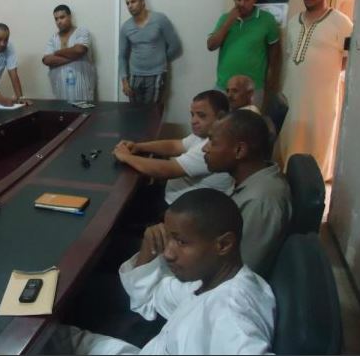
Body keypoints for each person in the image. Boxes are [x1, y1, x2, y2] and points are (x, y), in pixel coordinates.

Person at [47, 189, 275, 354]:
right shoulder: (209, 282)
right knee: (53, 338)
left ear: (223, 244)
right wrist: (148, 248)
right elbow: (152, 295)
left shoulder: (231, 311)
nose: (168, 253)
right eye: (169, 239)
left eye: (181, 242)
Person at [279, 0, 353, 180]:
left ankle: (315, 179)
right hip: (293, 92)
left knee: (318, 135)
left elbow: (349, 59)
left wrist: (323, 73)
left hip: (321, 96)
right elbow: (290, 54)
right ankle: (289, 174)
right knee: (291, 132)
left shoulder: (341, 22)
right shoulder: (294, 21)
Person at [203, 109, 292, 275]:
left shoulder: (261, 202)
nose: (204, 148)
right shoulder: (250, 178)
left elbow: (240, 271)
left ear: (239, 151)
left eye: (213, 143)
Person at [113, 90, 232, 207]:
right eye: (192, 115)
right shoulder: (205, 135)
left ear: (220, 117)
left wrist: (126, 157)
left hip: (179, 209)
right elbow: (175, 145)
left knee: (122, 202)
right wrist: (139, 146)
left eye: (201, 115)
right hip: (171, 195)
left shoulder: (214, 146)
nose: (193, 121)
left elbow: (166, 170)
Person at [207, 0, 281, 108]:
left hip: (253, 88)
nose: (242, 3)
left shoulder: (267, 19)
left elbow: (274, 50)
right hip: (224, 86)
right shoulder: (225, 18)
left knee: (250, 120)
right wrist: (229, 21)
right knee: (221, 119)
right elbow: (211, 45)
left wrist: (271, 78)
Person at [119, 0, 181, 104]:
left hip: (156, 74)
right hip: (135, 75)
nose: (130, 6)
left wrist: (161, 60)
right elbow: (122, 56)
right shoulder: (126, 27)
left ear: (142, 1)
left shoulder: (160, 19)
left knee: (152, 111)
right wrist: (124, 81)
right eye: (127, 3)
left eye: (133, 1)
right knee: (134, 111)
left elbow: (175, 46)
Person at [42, 4, 96, 101]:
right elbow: (47, 60)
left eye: (62, 17)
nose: (59, 21)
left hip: (83, 92)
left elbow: (79, 50)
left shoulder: (82, 31)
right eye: (56, 19)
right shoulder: (53, 39)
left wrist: (57, 52)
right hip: (60, 94)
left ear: (69, 17)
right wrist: (75, 56)